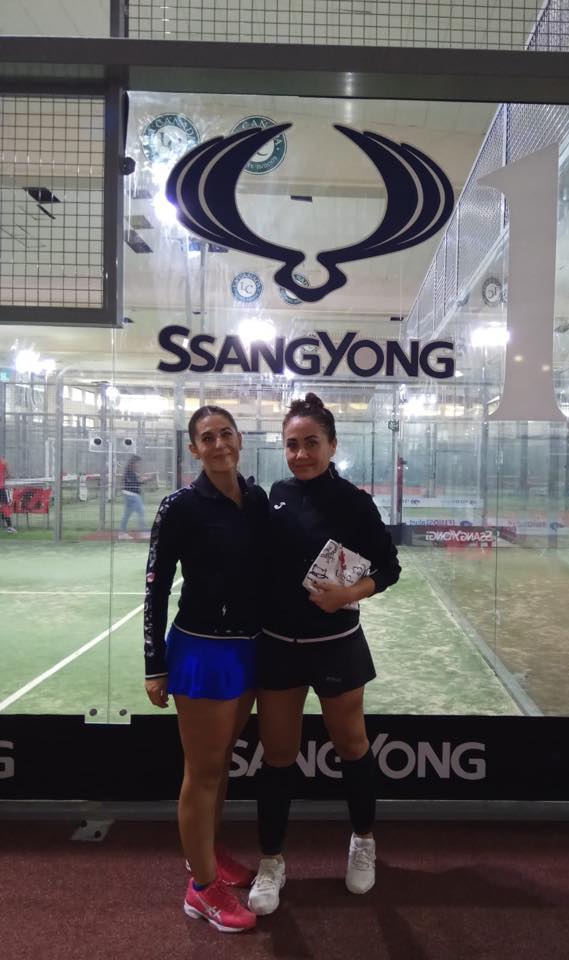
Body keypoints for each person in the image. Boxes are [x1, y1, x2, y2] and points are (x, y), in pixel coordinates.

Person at [249, 392, 401, 916]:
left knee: (352, 746)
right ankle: (271, 861)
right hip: (278, 647)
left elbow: (389, 567)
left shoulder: (355, 502)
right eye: (292, 444)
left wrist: (348, 594)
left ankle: (363, 840)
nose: (301, 454)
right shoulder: (275, 495)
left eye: (311, 443)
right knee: (278, 756)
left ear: (332, 445)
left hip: (336, 645)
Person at [144, 405, 268, 934]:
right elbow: (155, 588)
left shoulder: (256, 499)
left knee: (221, 766)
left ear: (240, 439)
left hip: (250, 648)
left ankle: (208, 853)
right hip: (201, 652)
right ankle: (201, 888)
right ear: (194, 449)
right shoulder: (179, 507)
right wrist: (154, 664)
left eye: (226, 434)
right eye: (207, 438)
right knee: (203, 772)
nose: (219, 444)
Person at [118, 454, 148, 538]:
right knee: (141, 511)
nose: (139, 465)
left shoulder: (131, 472)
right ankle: (143, 532)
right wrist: (143, 480)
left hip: (130, 494)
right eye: (138, 463)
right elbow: (132, 484)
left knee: (126, 514)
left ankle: (122, 533)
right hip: (132, 495)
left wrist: (143, 480)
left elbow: (134, 483)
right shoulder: (129, 472)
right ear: (133, 462)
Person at [0, 457, 17, 534]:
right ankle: (9, 527)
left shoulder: (3, 462)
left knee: (5, 507)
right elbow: (9, 475)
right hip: (1, 488)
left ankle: (10, 527)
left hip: (1, 488)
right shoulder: (3, 462)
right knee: (5, 507)